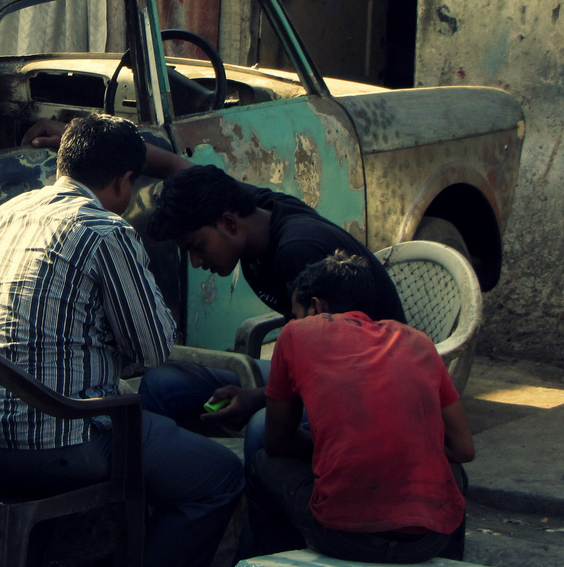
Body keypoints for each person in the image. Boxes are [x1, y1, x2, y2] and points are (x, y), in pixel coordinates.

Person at [0, 113, 242, 567]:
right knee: (219, 477)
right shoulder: (106, 231)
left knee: (59, 400)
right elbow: (154, 349)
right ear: (123, 182)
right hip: (61, 448)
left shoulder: (1, 217)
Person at [137, 165, 404, 461]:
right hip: (311, 367)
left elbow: (332, 372)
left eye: (197, 247)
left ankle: (269, 502)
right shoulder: (250, 209)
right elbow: (199, 175)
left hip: (362, 386)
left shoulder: (297, 251)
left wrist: (256, 398)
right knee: (162, 384)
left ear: (229, 223)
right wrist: (137, 152)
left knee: (263, 431)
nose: (197, 262)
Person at [242, 251, 473, 563]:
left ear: (315, 306)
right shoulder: (418, 341)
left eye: (296, 313)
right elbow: (463, 450)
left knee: (261, 464)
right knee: (450, 476)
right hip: (427, 541)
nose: (293, 321)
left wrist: (338, 447)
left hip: (345, 536)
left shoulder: (299, 332)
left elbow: (277, 441)